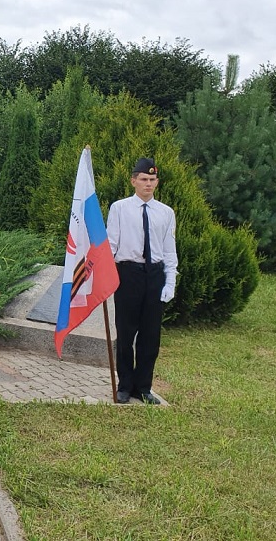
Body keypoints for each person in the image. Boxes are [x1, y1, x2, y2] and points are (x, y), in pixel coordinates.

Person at [106, 157, 178, 405]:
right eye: (144, 179)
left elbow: (169, 249)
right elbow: (111, 244)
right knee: (126, 333)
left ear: (157, 182)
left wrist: (170, 281)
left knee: (150, 335)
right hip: (129, 274)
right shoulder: (120, 208)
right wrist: (105, 276)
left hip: (154, 275)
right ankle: (125, 385)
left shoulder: (165, 212)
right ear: (133, 181)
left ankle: (144, 387)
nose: (148, 183)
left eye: (152, 179)